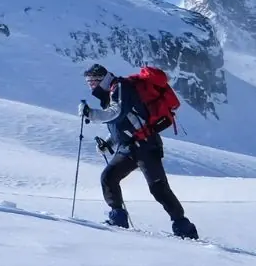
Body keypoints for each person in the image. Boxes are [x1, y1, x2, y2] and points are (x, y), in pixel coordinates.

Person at [82, 63, 197, 238]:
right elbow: (124, 124)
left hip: (146, 145)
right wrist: (109, 144)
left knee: (158, 188)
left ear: (100, 79)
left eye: (91, 81)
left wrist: (91, 114)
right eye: (88, 82)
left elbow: (117, 113)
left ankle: (184, 227)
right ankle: (118, 219)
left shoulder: (119, 88)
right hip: (128, 147)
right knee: (109, 177)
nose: (90, 85)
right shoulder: (110, 93)